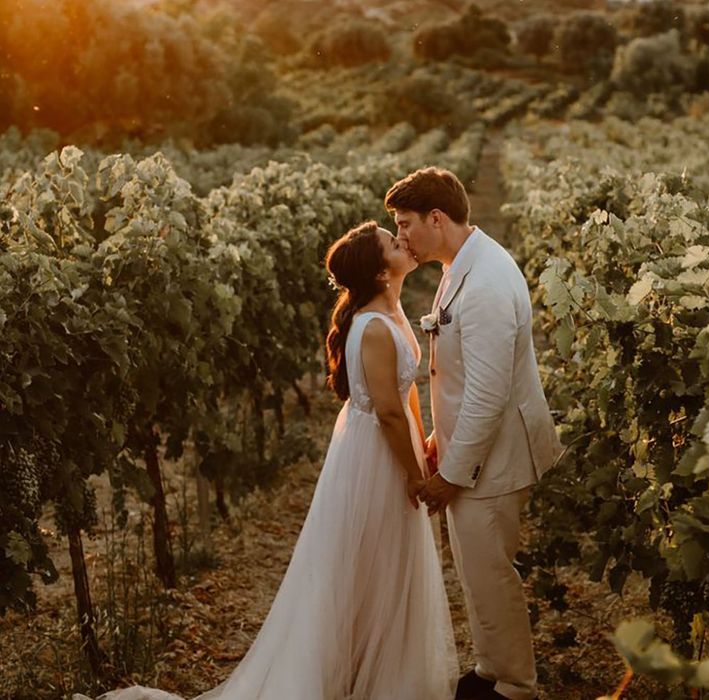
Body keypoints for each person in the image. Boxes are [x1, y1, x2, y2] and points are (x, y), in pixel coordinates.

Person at [78, 221, 458, 700]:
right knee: (367, 558)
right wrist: (412, 476)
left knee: (383, 560)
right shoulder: (376, 326)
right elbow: (385, 411)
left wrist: (422, 445)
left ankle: (375, 671)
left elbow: (404, 397)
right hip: (375, 455)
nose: (401, 241)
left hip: (391, 444)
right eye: (391, 240)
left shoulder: (392, 310)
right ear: (381, 271)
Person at [385, 167, 562, 700]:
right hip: (479, 449)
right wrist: (442, 436)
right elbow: (462, 378)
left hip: (495, 457)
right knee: (476, 570)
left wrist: (453, 474)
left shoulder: (484, 282)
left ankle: (515, 687)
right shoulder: (465, 261)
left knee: (491, 574)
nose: (401, 236)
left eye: (405, 223)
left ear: (436, 218)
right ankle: (490, 670)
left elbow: (487, 394)